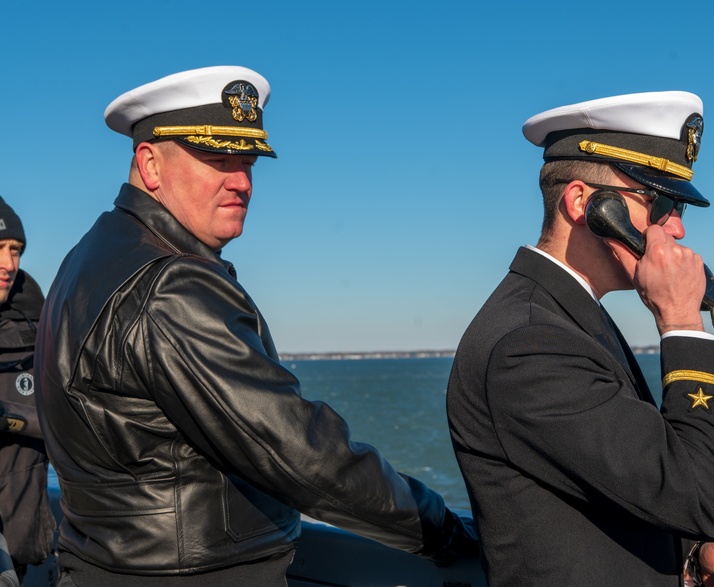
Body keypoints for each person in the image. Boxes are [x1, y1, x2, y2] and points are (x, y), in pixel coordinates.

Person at [34, 66, 476, 586]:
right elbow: (296, 449)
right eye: (218, 160)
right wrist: (440, 527)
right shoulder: (173, 286)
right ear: (149, 164)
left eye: (247, 163)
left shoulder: (85, 260)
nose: (242, 182)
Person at [447, 92, 714, 586]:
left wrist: (685, 560)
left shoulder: (564, 317)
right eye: (659, 203)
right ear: (585, 204)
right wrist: (681, 319)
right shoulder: (530, 345)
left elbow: (619, 478)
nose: (676, 228)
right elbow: (708, 499)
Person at [0, 197, 55, 586]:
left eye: (14, 250)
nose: (8, 264)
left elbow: (67, 417)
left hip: (18, 544)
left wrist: (9, 417)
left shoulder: (40, 327)